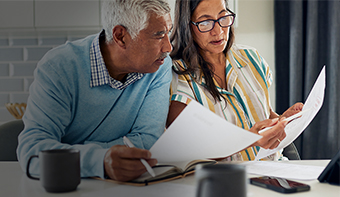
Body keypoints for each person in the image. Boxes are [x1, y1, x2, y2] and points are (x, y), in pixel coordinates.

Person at [17, 0, 173, 182]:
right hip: (68, 187)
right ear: (121, 36)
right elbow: (32, 152)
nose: (168, 48)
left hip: (126, 188)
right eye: (159, 35)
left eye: (168, 33)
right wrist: (101, 161)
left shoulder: (158, 67)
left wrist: (67, 151)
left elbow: (148, 143)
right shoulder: (59, 68)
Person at [167, 0, 303, 161]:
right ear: (187, 25)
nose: (218, 31)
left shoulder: (251, 58)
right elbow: (190, 150)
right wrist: (249, 139)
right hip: (226, 181)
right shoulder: (176, 76)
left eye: (223, 18)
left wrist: (282, 121)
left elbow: (265, 113)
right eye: (205, 22)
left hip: (275, 171)